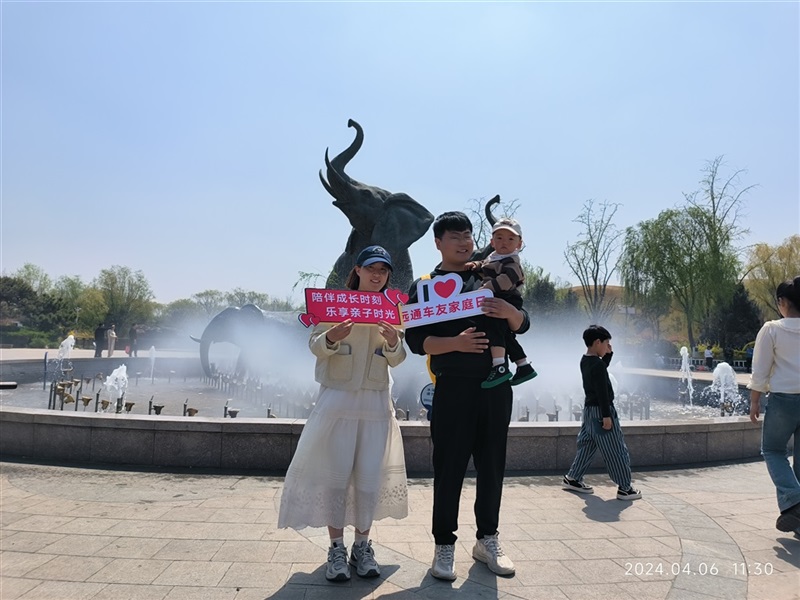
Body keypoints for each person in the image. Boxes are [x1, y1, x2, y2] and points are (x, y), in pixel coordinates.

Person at [404, 211, 530, 580]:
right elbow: (416, 341)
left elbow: (522, 322)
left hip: (495, 387)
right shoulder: (425, 285)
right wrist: (454, 343)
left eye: (468, 235)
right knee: (449, 468)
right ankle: (444, 546)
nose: (464, 241)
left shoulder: (488, 274)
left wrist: (509, 311)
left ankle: (487, 539)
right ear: (438, 242)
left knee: (492, 466)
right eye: (455, 236)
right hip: (453, 388)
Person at [277, 245, 408, 582]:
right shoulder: (333, 305)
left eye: (383, 270)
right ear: (358, 271)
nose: (377, 275)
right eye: (371, 268)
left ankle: (362, 547)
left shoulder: (393, 308)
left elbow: (399, 357)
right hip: (337, 400)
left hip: (376, 403)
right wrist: (331, 337)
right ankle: (336, 547)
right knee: (335, 476)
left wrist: (394, 342)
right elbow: (314, 345)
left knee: (368, 476)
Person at [562, 325, 642, 501]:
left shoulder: (586, 360)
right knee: (616, 448)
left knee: (587, 445)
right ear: (597, 342)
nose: (608, 346)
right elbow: (602, 392)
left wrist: (608, 356)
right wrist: (607, 416)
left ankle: (573, 478)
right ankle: (625, 487)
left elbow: (599, 373)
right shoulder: (597, 364)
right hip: (601, 411)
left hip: (590, 411)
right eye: (607, 343)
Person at [748, 276, 800, 535]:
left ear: (782, 302)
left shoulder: (772, 329)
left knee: (772, 450)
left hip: (783, 399)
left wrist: (755, 401)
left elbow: (760, 369)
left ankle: (794, 499)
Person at [465, 217, 537, 388]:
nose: (505, 242)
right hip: (498, 296)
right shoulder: (494, 257)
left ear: (519, 244)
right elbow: (485, 265)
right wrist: (476, 265)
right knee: (504, 334)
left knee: (493, 328)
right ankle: (523, 365)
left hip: (506, 298)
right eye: (499, 238)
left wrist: (486, 289)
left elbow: (507, 279)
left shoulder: (512, 261)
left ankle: (499, 366)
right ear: (492, 242)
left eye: (511, 239)